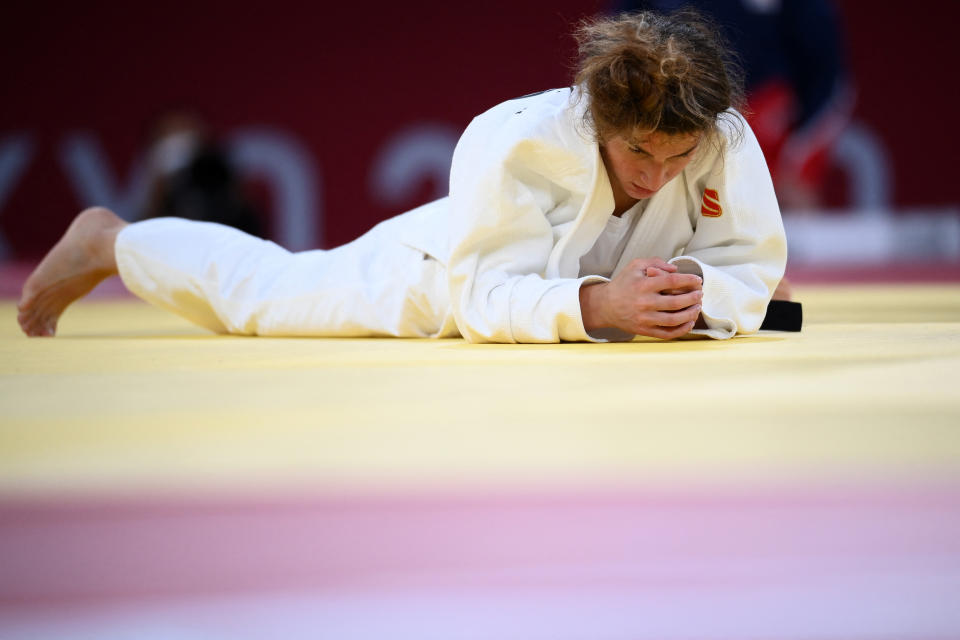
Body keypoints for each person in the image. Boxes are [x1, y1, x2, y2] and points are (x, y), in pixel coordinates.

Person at [17, 9, 789, 343]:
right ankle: (115, 241)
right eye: (639, 157)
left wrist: (697, 288)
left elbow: (750, 265)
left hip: (610, 295)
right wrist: (599, 303)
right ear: (596, 120)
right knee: (265, 300)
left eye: (677, 160)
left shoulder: (719, 135)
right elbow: (482, 292)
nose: (661, 179)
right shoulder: (513, 140)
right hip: (431, 272)